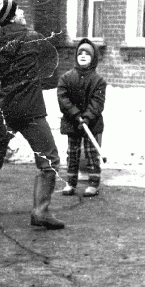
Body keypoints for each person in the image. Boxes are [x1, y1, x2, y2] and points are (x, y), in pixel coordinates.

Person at [0, 0, 63, 229]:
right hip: (31, 109)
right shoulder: (33, 38)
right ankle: (40, 211)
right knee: (49, 159)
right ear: (13, 16)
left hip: (6, 109)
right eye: (18, 10)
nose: (23, 12)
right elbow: (49, 66)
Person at [57, 38, 107, 197]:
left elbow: (98, 102)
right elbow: (63, 99)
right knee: (73, 153)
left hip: (91, 123)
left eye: (87, 54)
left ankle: (93, 183)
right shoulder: (66, 78)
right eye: (80, 53)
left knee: (92, 153)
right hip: (72, 122)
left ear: (93, 58)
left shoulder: (98, 81)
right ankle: (70, 183)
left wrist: (87, 117)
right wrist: (75, 114)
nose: (83, 56)